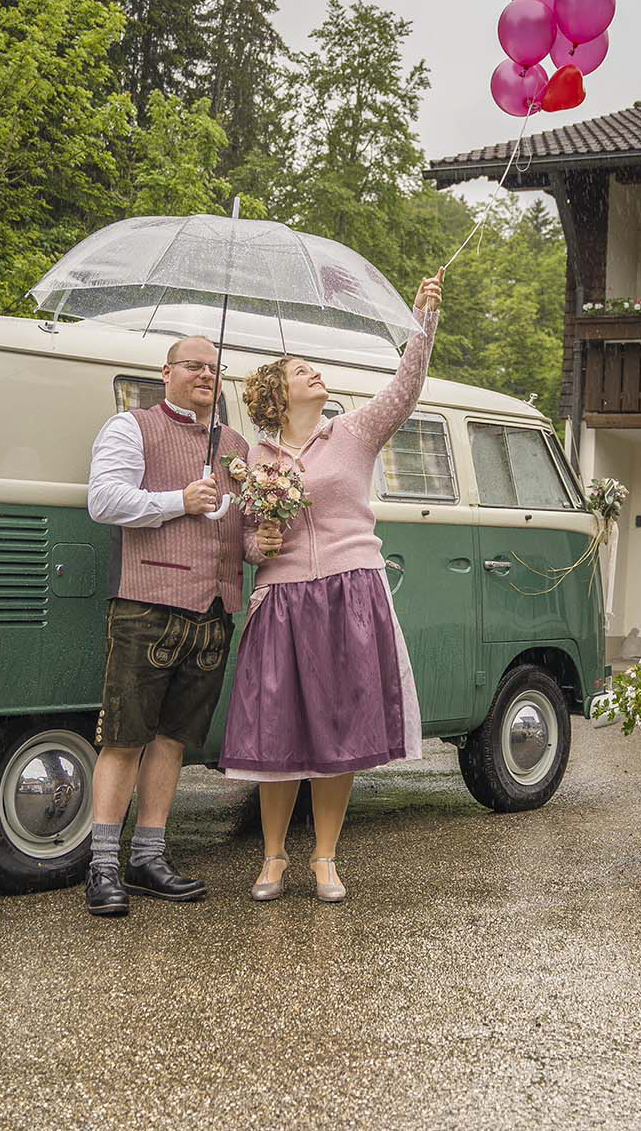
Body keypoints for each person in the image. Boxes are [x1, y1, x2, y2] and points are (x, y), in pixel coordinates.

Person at [219, 273, 443, 903]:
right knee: (278, 732)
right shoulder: (256, 462)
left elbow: (407, 388)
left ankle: (324, 858)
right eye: (301, 371)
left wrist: (422, 319)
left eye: (314, 369)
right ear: (275, 394)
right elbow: (242, 540)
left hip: (350, 590)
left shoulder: (356, 433)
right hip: (282, 599)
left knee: (339, 731)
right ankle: (271, 859)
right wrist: (252, 546)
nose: (316, 375)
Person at [84, 332, 276, 918]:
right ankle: (101, 864)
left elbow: (235, 529)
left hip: (214, 611)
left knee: (173, 739)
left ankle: (148, 856)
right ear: (164, 372)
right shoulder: (130, 427)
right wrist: (177, 500)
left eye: (213, 368)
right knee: (123, 737)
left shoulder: (236, 444)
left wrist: (257, 542)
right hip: (147, 606)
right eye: (193, 365)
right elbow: (103, 501)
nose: (204, 375)